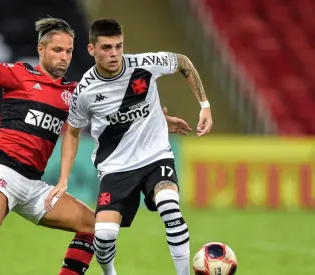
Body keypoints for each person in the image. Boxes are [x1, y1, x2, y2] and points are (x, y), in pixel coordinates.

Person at [0, 1, 191, 274]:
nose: (64, 57)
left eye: (68, 51)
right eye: (57, 50)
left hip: (34, 183)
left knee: (93, 225)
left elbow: (114, 112)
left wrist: (157, 121)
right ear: (41, 50)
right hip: (3, 171)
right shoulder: (19, 75)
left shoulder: (75, 93)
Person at [46, 18, 212, 275]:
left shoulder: (144, 65)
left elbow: (183, 62)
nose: (114, 54)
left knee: (170, 207)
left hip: (156, 157)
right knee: (103, 236)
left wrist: (205, 106)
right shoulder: (85, 91)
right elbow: (73, 133)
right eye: (106, 48)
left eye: (118, 46)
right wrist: (64, 178)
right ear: (92, 50)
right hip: (116, 168)